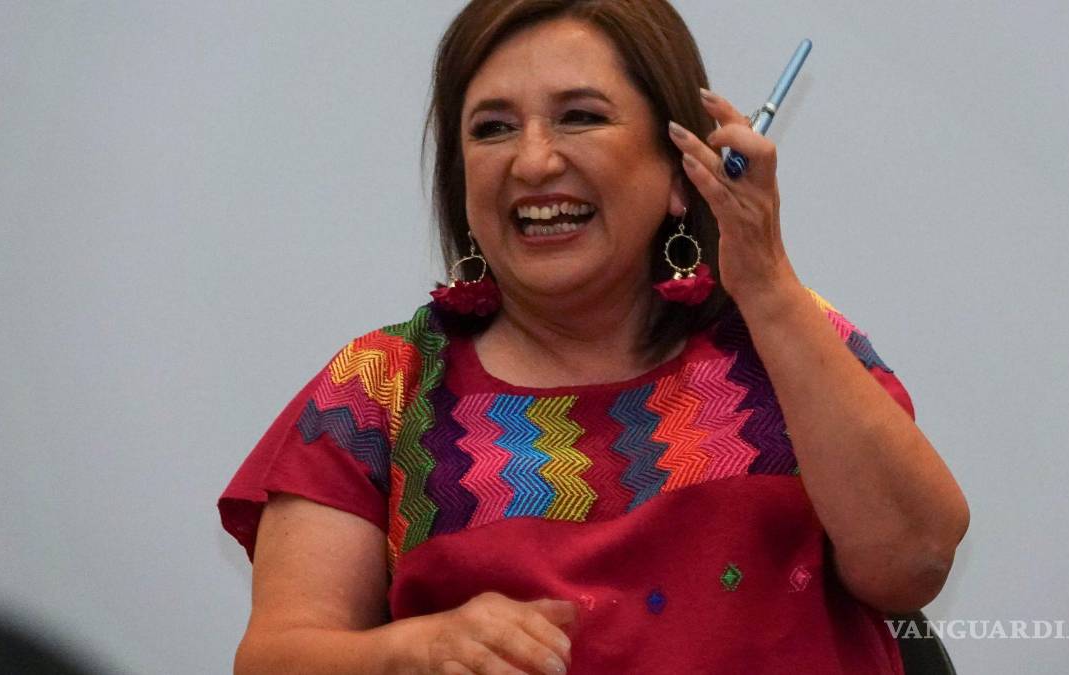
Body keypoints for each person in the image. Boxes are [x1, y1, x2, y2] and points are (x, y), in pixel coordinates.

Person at [218, 1, 970, 672]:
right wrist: (411, 650)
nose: (533, 161)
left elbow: (914, 562)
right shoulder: (381, 386)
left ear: (680, 171)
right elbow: (277, 657)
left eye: (580, 117)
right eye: (492, 129)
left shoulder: (782, 338)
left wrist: (767, 284)